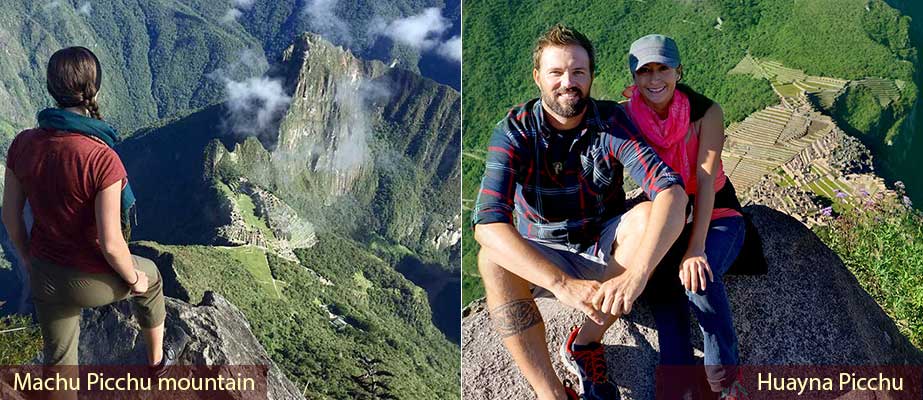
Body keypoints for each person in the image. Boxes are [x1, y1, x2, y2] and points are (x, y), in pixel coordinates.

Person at [472, 24, 689, 400]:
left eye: (578, 72)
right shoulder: (514, 132)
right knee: (491, 258)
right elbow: (487, 223)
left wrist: (636, 277)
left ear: (590, 77)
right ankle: (551, 393)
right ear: (538, 78)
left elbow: (670, 190)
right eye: (556, 72)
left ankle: (585, 343)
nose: (567, 82)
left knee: (648, 214)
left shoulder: (610, 123)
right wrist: (561, 284)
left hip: (603, 246)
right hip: (543, 252)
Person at [1, 47, 173, 373]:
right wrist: (133, 278)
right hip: (91, 281)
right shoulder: (101, 159)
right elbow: (111, 245)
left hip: (44, 272)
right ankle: (157, 363)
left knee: (59, 361)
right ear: (95, 89)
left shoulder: (22, 143)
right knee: (151, 278)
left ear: (51, 88)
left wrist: (28, 260)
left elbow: (10, 218)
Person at [622, 34, 748, 399]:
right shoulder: (627, 115)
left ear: (679, 71)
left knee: (698, 277)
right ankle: (677, 387)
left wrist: (696, 248)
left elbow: (707, 181)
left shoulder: (706, 113)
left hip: (718, 213)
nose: (654, 79)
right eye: (644, 70)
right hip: (666, 214)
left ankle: (723, 382)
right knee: (662, 289)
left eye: (663, 68)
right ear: (634, 77)